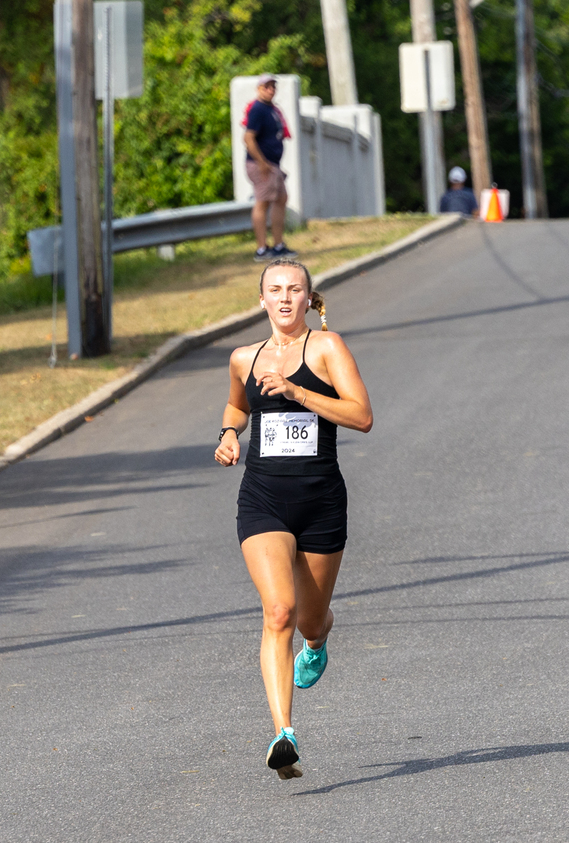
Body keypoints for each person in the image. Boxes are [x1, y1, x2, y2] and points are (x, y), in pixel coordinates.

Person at [214, 259, 372, 780]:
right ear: (261, 300)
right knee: (278, 611)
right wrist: (230, 435)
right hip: (263, 500)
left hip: (321, 502)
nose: (285, 298)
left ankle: (320, 638)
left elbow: (362, 416)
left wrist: (299, 391)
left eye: (295, 290)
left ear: (309, 298)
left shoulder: (326, 348)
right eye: (275, 290)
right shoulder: (243, 358)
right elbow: (237, 407)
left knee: (308, 618)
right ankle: (284, 733)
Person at [242, 74, 296, 261]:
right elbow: (248, 138)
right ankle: (261, 249)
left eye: (273, 86)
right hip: (262, 165)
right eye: (267, 86)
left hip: (273, 165)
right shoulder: (258, 109)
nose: (271, 90)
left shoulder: (271, 109)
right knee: (263, 202)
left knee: (281, 198)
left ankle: (279, 245)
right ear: (259, 89)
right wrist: (262, 162)